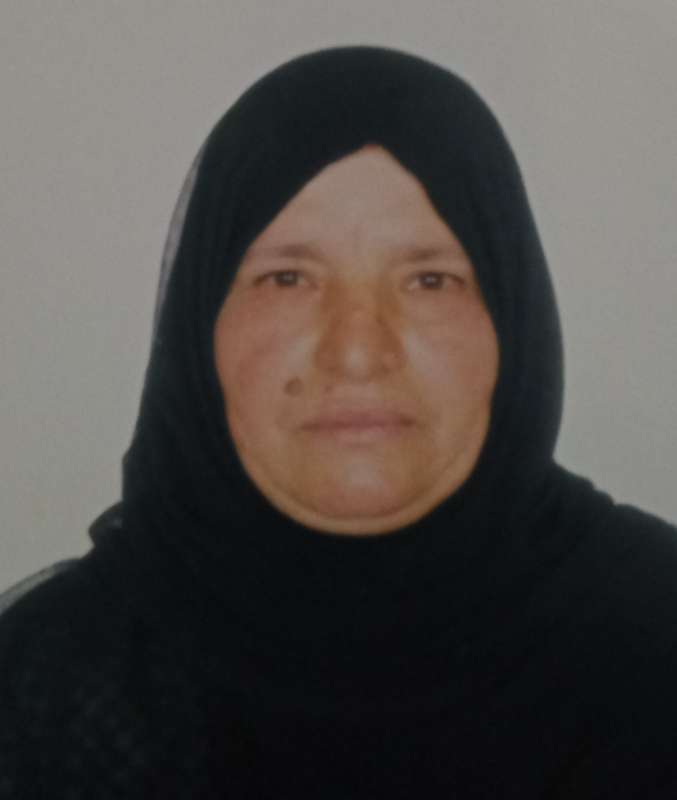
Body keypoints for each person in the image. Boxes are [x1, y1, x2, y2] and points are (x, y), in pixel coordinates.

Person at [1, 45, 677, 798]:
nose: (357, 353)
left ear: (513, 326)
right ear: (199, 328)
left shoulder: (656, 638)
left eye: (429, 279)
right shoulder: (43, 692)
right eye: (288, 278)